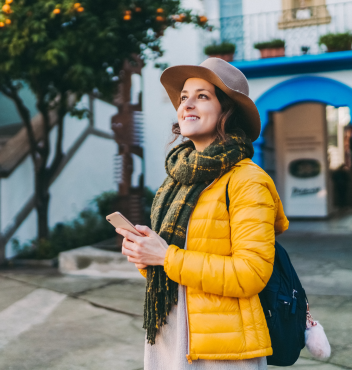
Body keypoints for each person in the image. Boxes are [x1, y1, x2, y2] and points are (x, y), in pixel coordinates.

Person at [116, 58, 289, 369]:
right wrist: (146, 256)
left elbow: (251, 274)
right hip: (169, 330)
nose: (187, 104)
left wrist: (165, 256)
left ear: (227, 110)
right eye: (183, 97)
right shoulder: (176, 179)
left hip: (223, 346)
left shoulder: (248, 181)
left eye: (202, 96)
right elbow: (170, 266)